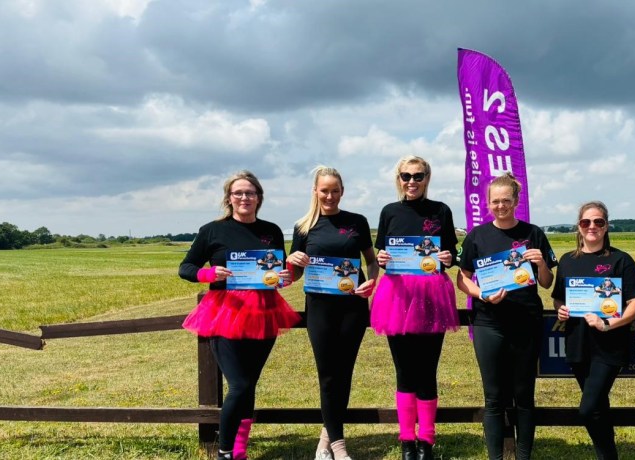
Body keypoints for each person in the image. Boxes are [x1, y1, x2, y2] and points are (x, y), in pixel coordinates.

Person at [179, 170, 301, 460]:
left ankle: (240, 451)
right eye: (238, 193)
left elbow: (279, 270)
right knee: (240, 384)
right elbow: (186, 267)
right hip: (225, 313)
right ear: (229, 198)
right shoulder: (212, 230)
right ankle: (224, 452)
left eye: (250, 193)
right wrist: (208, 273)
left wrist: (286, 278)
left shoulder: (270, 229)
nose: (244, 198)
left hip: (265, 312)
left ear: (259, 198)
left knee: (249, 384)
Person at [456, 173, 557, 460]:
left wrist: (540, 265)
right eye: (495, 201)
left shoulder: (533, 233)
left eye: (506, 201)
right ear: (488, 203)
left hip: (526, 320)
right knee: (494, 397)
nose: (500, 206)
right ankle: (496, 457)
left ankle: (524, 456)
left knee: (524, 395)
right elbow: (462, 279)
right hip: (489, 322)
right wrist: (482, 295)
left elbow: (547, 283)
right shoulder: (478, 235)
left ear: (516, 201)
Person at [287, 166, 379, 460]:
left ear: (342, 191)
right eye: (324, 190)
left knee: (344, 372)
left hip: (352, 307)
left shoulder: (357, 222)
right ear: (315, 191)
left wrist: (371, 282)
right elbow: (295, 275)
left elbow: (371, 261)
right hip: (320, 309)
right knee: (328, 375)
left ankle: (327, 438)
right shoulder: (303, 227)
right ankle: (338, 445)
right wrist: (292, 260)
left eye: (335, 190)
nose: (330, 195)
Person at [371, 155, 459, 460]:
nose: (412, 182)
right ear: (398, 179)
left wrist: (448, 258)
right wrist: (382, 259)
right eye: (406, 176)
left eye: (418, 176)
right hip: (397, 298)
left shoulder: (441, 211)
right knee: (404, 370)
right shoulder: (389, 212)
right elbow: (382, 251)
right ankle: (407, 441)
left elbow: (452, 253)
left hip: (433, 297)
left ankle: (427, 441)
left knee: (427, 370)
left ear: (427, 178)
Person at [552, 201, 635, 460]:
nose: (592, 227)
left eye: (598, 222)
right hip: (578, 344)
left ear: (606, 226)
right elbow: (559, 298)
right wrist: (561, 309)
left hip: (610, 346)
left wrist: (609, 324)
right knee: (598, 408)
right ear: (578, 227)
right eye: (586, 222)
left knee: (588, 408)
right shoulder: (568, 261)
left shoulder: (620, 260)